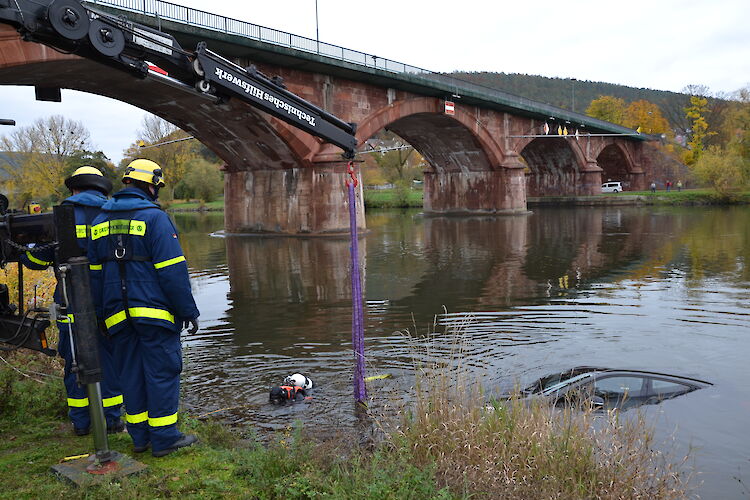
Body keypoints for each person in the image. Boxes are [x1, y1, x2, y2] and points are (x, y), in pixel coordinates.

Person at [88, 159, 200, 457]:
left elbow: (94, 276)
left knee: (130, 374)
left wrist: (100, 315)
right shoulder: (155, 219)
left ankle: (139, 438)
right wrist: (188, 311)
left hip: (116, 315)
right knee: (162, 371)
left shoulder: (99, 221)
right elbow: (172, 272)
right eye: (156, 187)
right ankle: (164, 438)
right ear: (151, 185)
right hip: (154, 314)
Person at [21, 166, 124, 436]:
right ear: (101, 188)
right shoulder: (113, 214)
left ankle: (81, 423)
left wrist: (24, 245)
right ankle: (112, 420)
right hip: (108, 301)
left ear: (74, 189)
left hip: (69, 300)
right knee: (109, 360)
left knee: (74, 360)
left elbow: (35, 261)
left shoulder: (58, 217)